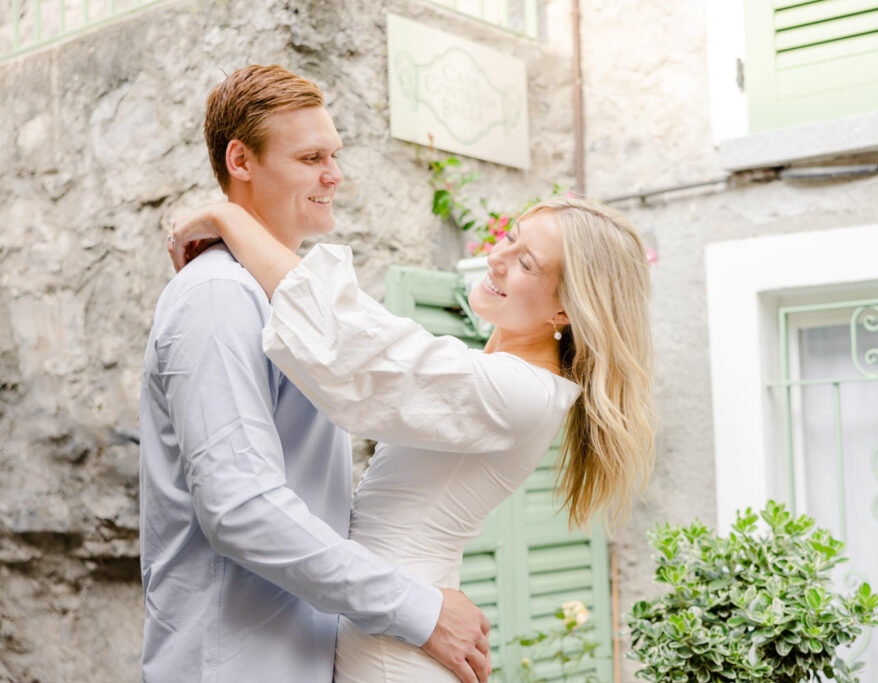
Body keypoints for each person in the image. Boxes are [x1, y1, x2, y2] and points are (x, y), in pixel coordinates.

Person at [167, 191, 657, 681]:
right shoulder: (505, 377)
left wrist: (227, 216)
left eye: (526, 262)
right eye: (509, 237)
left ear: (565, 312)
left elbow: (351, 352)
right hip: (391, 621)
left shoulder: (519, 391)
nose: (497, 258)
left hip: (396, 643)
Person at [138, 65, 490, 683]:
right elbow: (241, 508)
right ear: (241, 160)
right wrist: (419, 609)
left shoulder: (283, 298)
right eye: (310, 157)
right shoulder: (218, 296)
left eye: (334, 154)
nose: (334, 175)